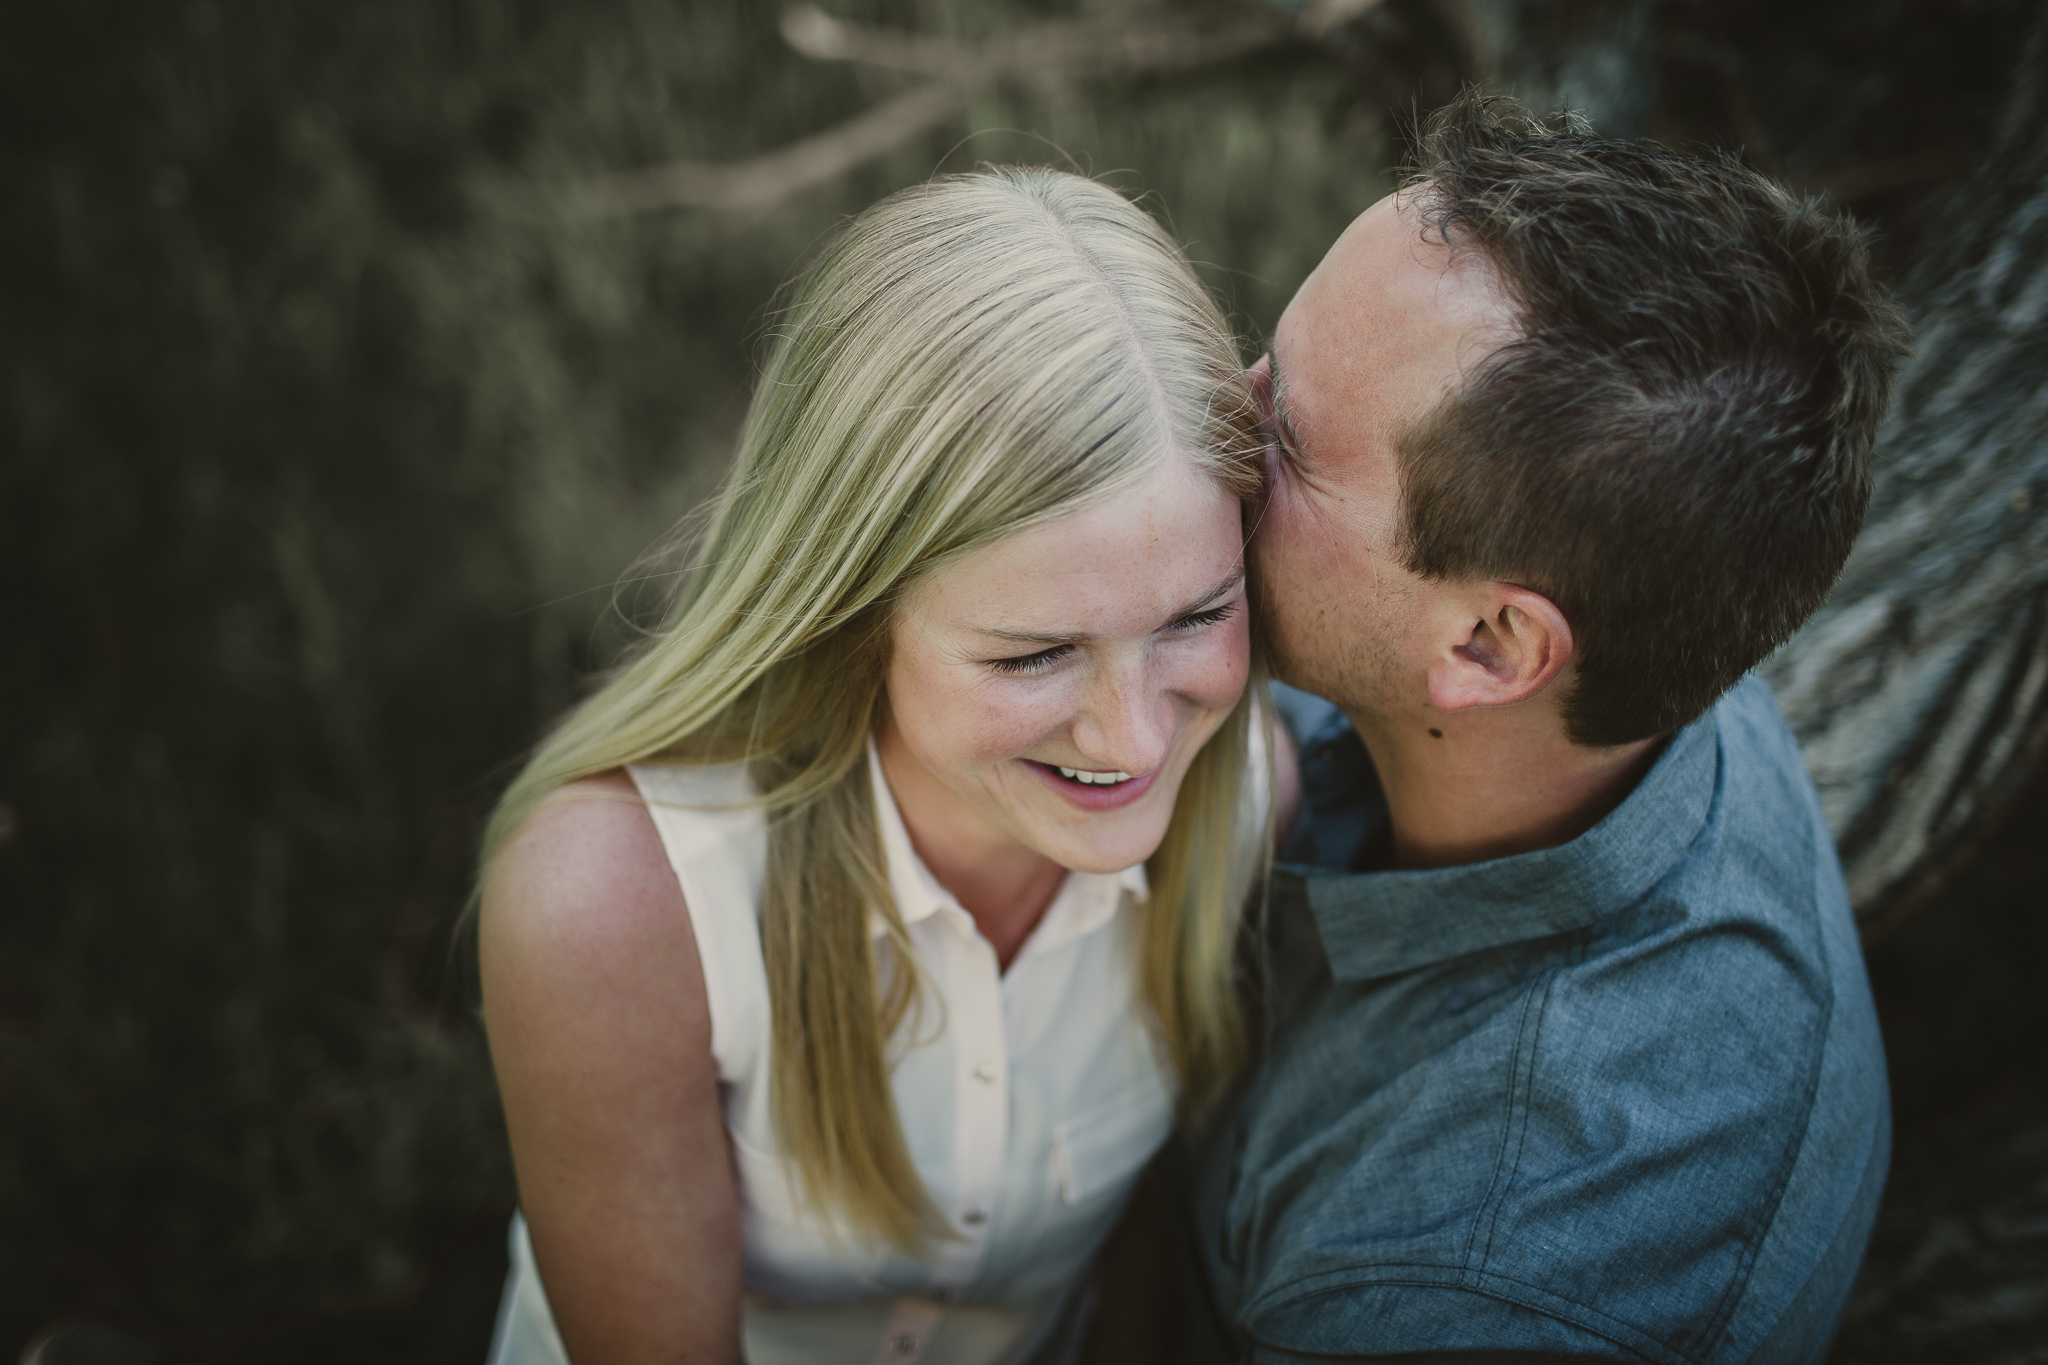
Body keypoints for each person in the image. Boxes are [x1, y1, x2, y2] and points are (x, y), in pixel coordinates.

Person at [475, 167, 1289, 1365]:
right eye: (1035, 656)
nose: (1136, 740)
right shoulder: (616, 901)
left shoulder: (1251, 803)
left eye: (1194, 616)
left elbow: (1139, 1250)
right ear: (854, 611)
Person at [1177, 92, 1908, 1362]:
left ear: (1488, 648)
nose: (1207, 430)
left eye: (1284, 441)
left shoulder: (1472, 1276)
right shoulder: (1642, 595)